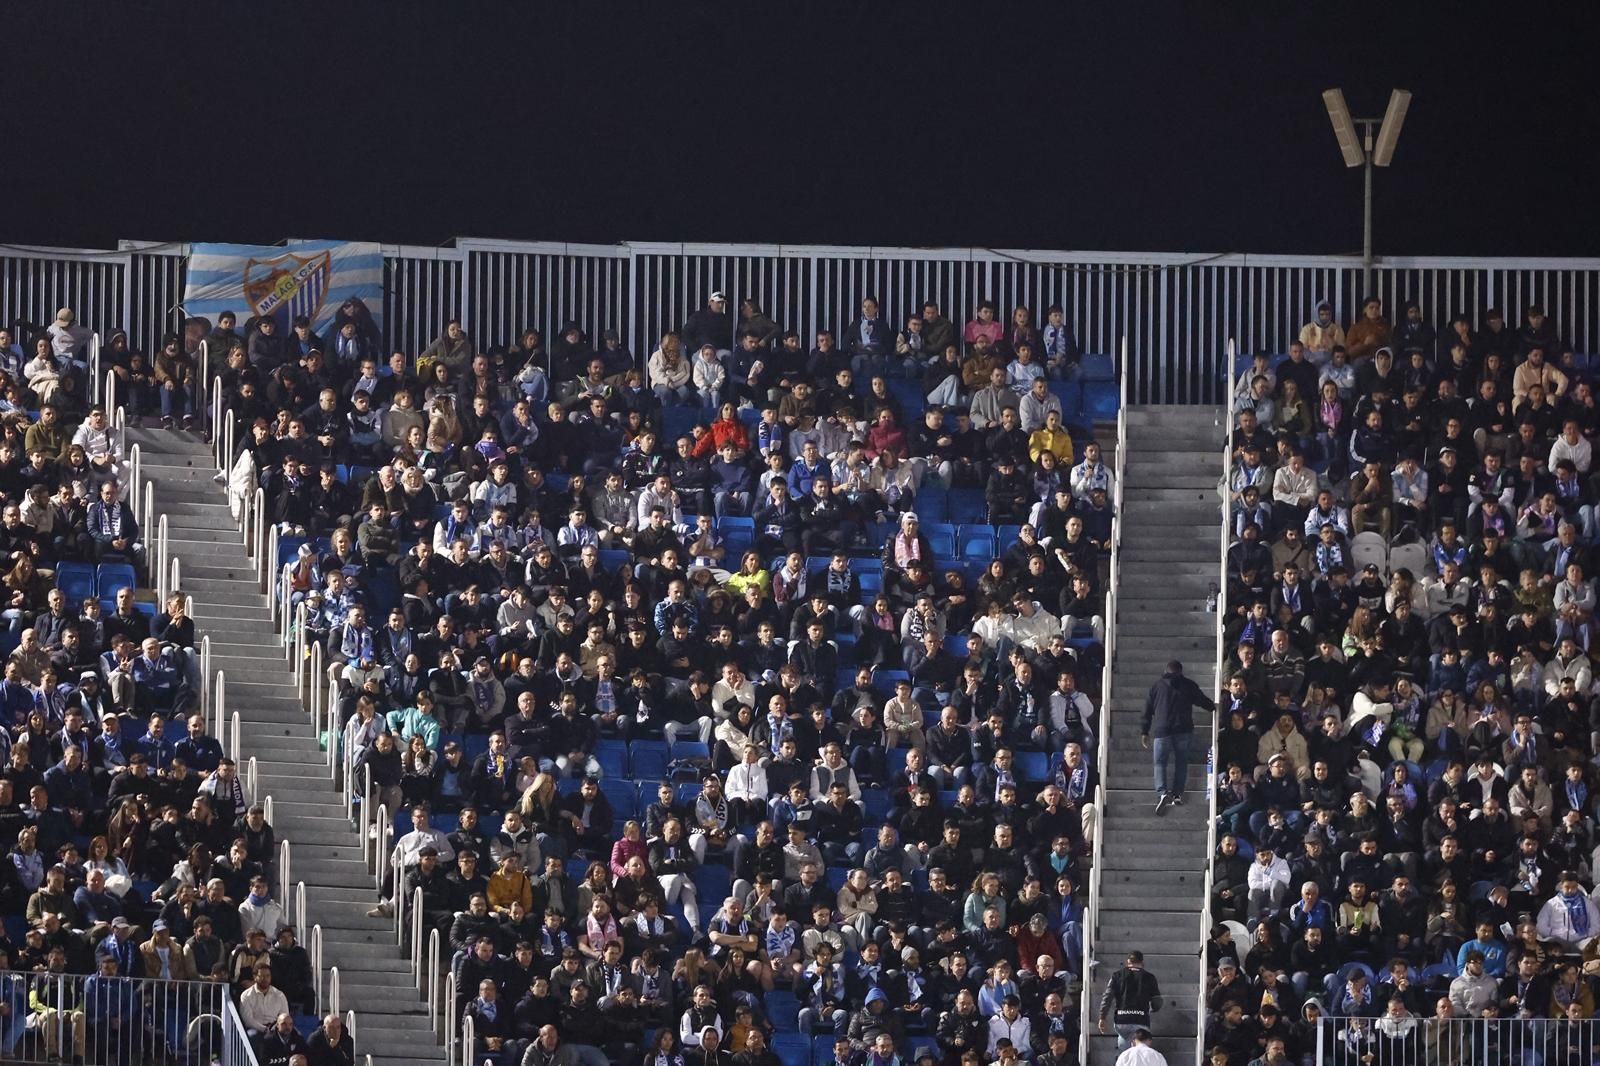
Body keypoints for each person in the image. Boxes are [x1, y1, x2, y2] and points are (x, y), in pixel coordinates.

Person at [1140, 660, 1216, 814]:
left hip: (1162, 731)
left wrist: (1144, 731)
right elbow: (1201, 701)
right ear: (1181, 671)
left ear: (1165, 670)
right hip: (1184, 730)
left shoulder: (1156, 686)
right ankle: (1177, 794)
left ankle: (1162, 792)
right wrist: (1214, 706)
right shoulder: (1188, 685)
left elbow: (1147, 710)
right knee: (1181, 762)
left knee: (1160, 763)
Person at [1099, 952, 1162, 1049]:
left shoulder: (1117, 975)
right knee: (1141, 1052)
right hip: (1141, 1020)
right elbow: (1157, 1002)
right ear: (1142, 962)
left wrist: (1102, 1017)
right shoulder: (1150, 977)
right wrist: (1152, 1009)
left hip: (1122, 1020)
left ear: (1128, 962)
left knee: (1125, 1049)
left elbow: (1107, 997)